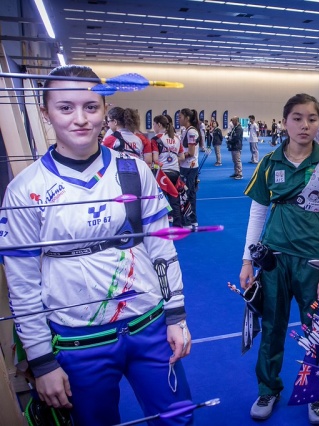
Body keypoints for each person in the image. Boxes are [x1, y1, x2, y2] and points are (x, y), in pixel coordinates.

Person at [0, 65, 192, 425]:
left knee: (178, 420)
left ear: (105, 110)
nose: (80, 119)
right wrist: (42, 361)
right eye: (65, 107)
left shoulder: (133, 170)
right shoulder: (25, 190)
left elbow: (162, 247)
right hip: (78, 342)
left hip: (148, 327)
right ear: (45, 113)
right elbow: (23, 282)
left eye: (91, 107)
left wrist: (176, 316)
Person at [239, 93, 319, 424]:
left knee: (318, 329)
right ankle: (268, 387)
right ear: (285, 121)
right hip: (272, 260)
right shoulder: (269, 163)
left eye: (312, 119)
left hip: (313, 265)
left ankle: (317, 392)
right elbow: (257, 214)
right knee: (271, 327)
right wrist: (247, 261)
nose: (304, 125)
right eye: (297, 118)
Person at [152, 114, 185, 227]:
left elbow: (155, 159)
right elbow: (182, 157)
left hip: (162, 173)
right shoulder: (176, 138)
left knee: (158, 200)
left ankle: (158, 226)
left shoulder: (156, 139)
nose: (153, 127)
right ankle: (178, 225)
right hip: (175, 171)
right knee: (174, 199)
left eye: (154, 125)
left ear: (159, 124)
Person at [178, 108, 201, 228]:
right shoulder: (185, 130)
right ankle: (190, 220)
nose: (178, 119)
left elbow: (191, 152)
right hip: (185, 166)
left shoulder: (191, 132)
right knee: (186, 193)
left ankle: (191, 220)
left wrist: (179, 157)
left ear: (187, 118)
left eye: (180, 117)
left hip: (189, 167)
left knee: (188, 193)